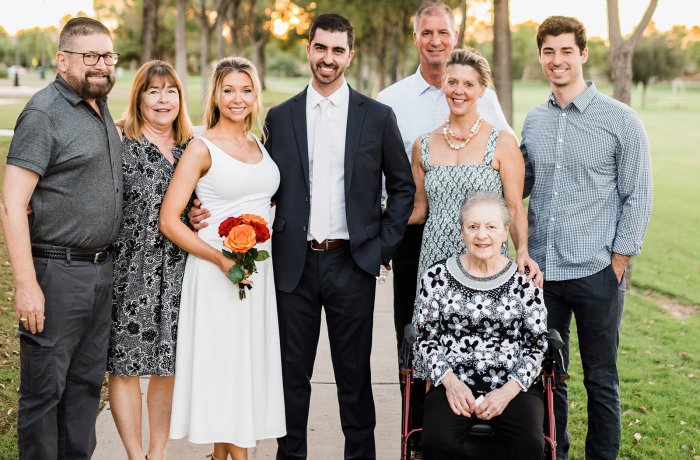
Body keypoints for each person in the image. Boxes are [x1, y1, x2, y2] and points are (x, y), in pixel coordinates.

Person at [263, 14, 414, 459]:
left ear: (350, 55)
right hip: (294, 264)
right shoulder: (280, 116)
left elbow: (402, 187)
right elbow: (261, 184)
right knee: (292, 375)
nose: (328, 58)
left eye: (337, 50)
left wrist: (381, 246)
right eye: (320, 48)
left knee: (353, 376)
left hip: (353, 262)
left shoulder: (378, 117)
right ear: (309, 49)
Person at [521, 16, 652, 460]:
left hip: (597, 272)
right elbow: (521, 183)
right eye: (548, 52)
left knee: (601, 379)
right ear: (540, 56)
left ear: (583, 54)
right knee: (549, 377)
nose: (556, 60)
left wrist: (617, 265)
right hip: (542, 273)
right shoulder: (534, 121)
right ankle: (554, 452)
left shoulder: (621, 121)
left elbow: (638, 197)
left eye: (565, 51)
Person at [0, 17, 122, 459]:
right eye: (89, 56)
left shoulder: (99, 106)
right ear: (62, 59)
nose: (101, 65)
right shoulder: (43, 113)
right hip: (56, 273)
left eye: (107, 56)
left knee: (86, 390)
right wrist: (28, 285)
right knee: (44, 394)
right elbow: (13, 203)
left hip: (100, 272)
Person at [377, 0, 516, 367]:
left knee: (479, 339)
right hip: (417, 235)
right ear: (415, 38)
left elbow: (510, 159)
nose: (435, 41)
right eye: (427, 33)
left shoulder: (483, 97)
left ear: (455, 37)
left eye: (443, 33)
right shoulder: (391, 100)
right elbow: (378, 177)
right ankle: (416, 423)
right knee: (413, 332)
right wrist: (383, 232)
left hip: (480, 238)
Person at [159, 57, 285, 460]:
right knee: (225, 372)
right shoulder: (200, 147)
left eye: (246, 90)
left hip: (257, 276)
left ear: (256, 95)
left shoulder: (260, 144)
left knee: (242, 372)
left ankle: (219, 457)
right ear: (215, 93)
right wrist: (220, 260)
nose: (237, 98)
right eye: (228, 89)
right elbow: (170, 221)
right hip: (217, 275)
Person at [414, 192, 548, 460]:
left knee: (530, 445)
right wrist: (451, 384)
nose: (481, 235)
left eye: (491, 226)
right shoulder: (436, 276)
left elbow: (537, 344)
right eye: (473, 226)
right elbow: (425, 339)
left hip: (512, 386)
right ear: (462, 231)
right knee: (437, 442)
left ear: (505, 231)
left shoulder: (525, 281)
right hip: (454, 383)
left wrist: (508, 390)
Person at [107, 60, 192, 460]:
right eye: (153, 91)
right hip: (128, 269)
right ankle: (133, 453)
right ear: (139, 96)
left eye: (170, 91)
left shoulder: (192, 147)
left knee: (167, 367)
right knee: (124, 366)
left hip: (179, 270)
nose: (163, 99)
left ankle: (156, 454)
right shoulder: (118, 141)